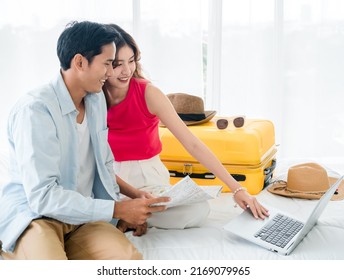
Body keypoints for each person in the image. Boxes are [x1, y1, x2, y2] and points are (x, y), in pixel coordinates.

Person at [0, 21, 169, 260]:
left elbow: (103, 165)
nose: (111, 73)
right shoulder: (35, 110)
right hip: (36, 216)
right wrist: (118, 208)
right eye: (107, 64)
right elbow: (43, 198)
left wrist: (133, 199)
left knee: (127, 262)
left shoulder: (96, 99)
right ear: (80, 62)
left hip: (84, 216)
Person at [102, 24, 269, 230]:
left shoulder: (148, 93)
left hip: (148, 179)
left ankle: (127, 214)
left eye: (131, 61)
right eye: (118, 64)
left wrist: (237, 190)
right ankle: (124, 212)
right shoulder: (92, 97)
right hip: (107, 178)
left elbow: (192, 144)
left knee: (197, 210)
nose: (127, 70)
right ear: (104, 63)